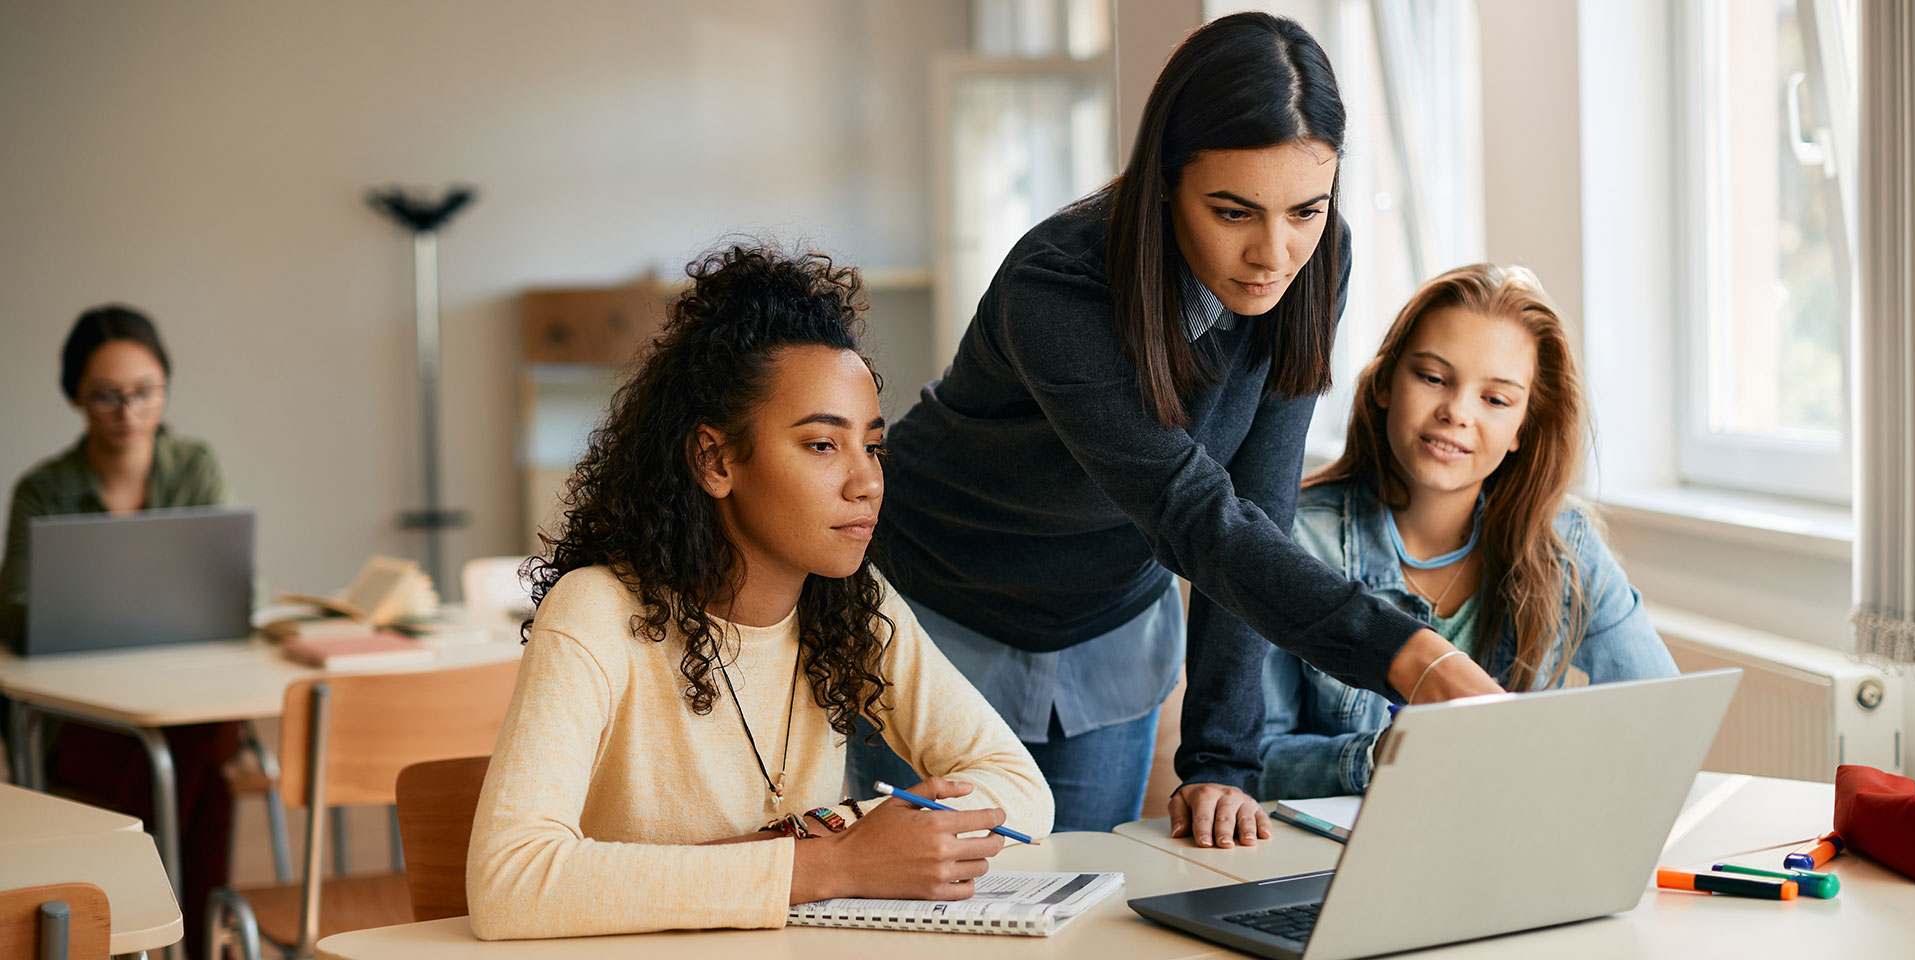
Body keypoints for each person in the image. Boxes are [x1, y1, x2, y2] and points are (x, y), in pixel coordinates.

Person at [849, 10, 1502, 842]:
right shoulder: (1057, 287)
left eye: (1305, 210)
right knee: (927, 905)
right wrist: (1412, 656)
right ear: (1164, 180)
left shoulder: (1316, 261)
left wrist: (1221, 760)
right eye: (1234, 212)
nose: (1275, 254)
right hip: (937, 611)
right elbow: (1191, 512)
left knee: (1081, 903)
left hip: (1109, 628)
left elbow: (1256, 509)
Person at [466, 245, 1052, 940]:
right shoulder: (596, 611)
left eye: (873, 446)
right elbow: (509, 881)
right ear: (715, 460)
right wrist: (833, 862)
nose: (867, 481)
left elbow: (1020, 788)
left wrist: (825, 833)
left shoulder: (853, 603)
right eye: (822, 445)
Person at [1256, 264, 1679, 799]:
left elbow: (1663, 717)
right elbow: (1249, 763)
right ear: (1385, 383)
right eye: (1433, 378)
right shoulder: (1292, 537)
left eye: (1495, 400)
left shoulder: (1563, 543)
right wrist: (1381, 757)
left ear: (1523, 427)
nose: (1456, 412)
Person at [0, 304, 239, 960]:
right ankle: (188, 939)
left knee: (198, 735)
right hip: (85, 713)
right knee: (207, 774)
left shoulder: (194, 466)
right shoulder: (43, 490)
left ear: (165, 387)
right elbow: (14, 612)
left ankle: (124, 917)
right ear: (75, 396)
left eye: (145, 392)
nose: (129, 412)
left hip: (184, 697)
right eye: (107, 395)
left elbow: (234, 586)